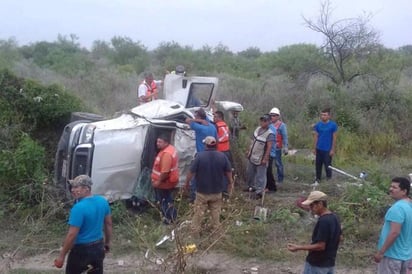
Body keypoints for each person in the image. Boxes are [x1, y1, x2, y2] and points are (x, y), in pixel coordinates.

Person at [54, 175, 112, 274]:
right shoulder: (103, 202)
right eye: (72, 187)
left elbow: (72, 235)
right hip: (98, 247)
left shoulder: (78, 208)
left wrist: (62, 256)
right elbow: (108, 224)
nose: (72, 190)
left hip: (81, 251)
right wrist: (107, 243)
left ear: (86, 189)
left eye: (76, 187)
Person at [184, 136, 233, 235]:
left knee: (198, 213)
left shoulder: (199, 156)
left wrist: (186, 184)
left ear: (206, 145)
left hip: (202, 192)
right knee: (216, 213)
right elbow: (228, 171)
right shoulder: (222, 156)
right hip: (217, 192)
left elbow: (191, 172)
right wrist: (230, 183)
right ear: (216, 145)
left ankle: (195, 232)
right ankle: (216, 232)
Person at [287, 191, 342, 274]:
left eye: (312, 205)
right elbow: (340, 238)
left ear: (320, 204)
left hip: (317, 264)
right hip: (330, 264)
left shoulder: (324, 221)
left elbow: (321, 246)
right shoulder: (335, 217)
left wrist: (298, 247)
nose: (310, 208)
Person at [374, 177, 412, 274]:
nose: (391, 189)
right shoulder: (409, 206)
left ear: (404, 191)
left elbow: (394, 232)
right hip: (406, 256)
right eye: (391, 186)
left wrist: (381, 252)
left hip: (392, 256)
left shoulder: (397, 208)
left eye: (395, 187)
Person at [185, 108, 217, 202]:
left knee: (195, 175)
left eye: (195, 116)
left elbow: (187, 120)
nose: (194, 118)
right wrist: (200, 119)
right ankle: (209, 194)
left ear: (199, 117)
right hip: (212, 154)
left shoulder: (199, 127)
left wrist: (193, 119)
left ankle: (193, 197)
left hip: (201, 155)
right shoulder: (212, 127)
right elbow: (217, 140)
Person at [151, 134, 179, 224]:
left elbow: (165, 172)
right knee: (168, 199)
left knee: (165, 201)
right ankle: (172, 218)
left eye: (160, 142)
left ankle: (169, 220)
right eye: (157, 141)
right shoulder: (170, 149)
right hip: (169, 181)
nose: (157, 144)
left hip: (164, 183)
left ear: (166, 143)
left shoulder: (166, 154)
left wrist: (158, 182)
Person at [245, 114, 275, 199]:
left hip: (261, 157)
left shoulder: (270, 134)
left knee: (260, 176)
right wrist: (248, 151)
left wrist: (265, 158)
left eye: (265, 121)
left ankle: (259, 192)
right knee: (250, 172)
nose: (262, 122)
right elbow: (252, 140)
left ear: (269, 122)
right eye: (261, 120)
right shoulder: (257, 129)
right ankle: (251, 187)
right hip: (252, 155)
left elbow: (269, 147)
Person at [312, 108, 338, 185]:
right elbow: (316, 136)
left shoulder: (333, 125)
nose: (323, 116)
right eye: (322, 115)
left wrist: (332, 149)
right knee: (318, 165)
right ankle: (317, 180)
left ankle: (329, 181)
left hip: (327, 149)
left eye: (325, 115)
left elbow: (334, 138)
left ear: (329, 116)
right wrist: (314, 148)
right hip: (319, 148)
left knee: (328, 166)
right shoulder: (318, 125)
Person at [266, 107, 288, 191]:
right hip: (270, 148)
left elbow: (285, 137)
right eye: (271, 115)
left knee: (278, 164)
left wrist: (285, 147)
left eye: (274, 115)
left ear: (278, 116)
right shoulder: (268, 125)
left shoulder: (282, 125)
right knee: (269, 166)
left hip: (277, 148)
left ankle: (280, 180)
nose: (272, 117)